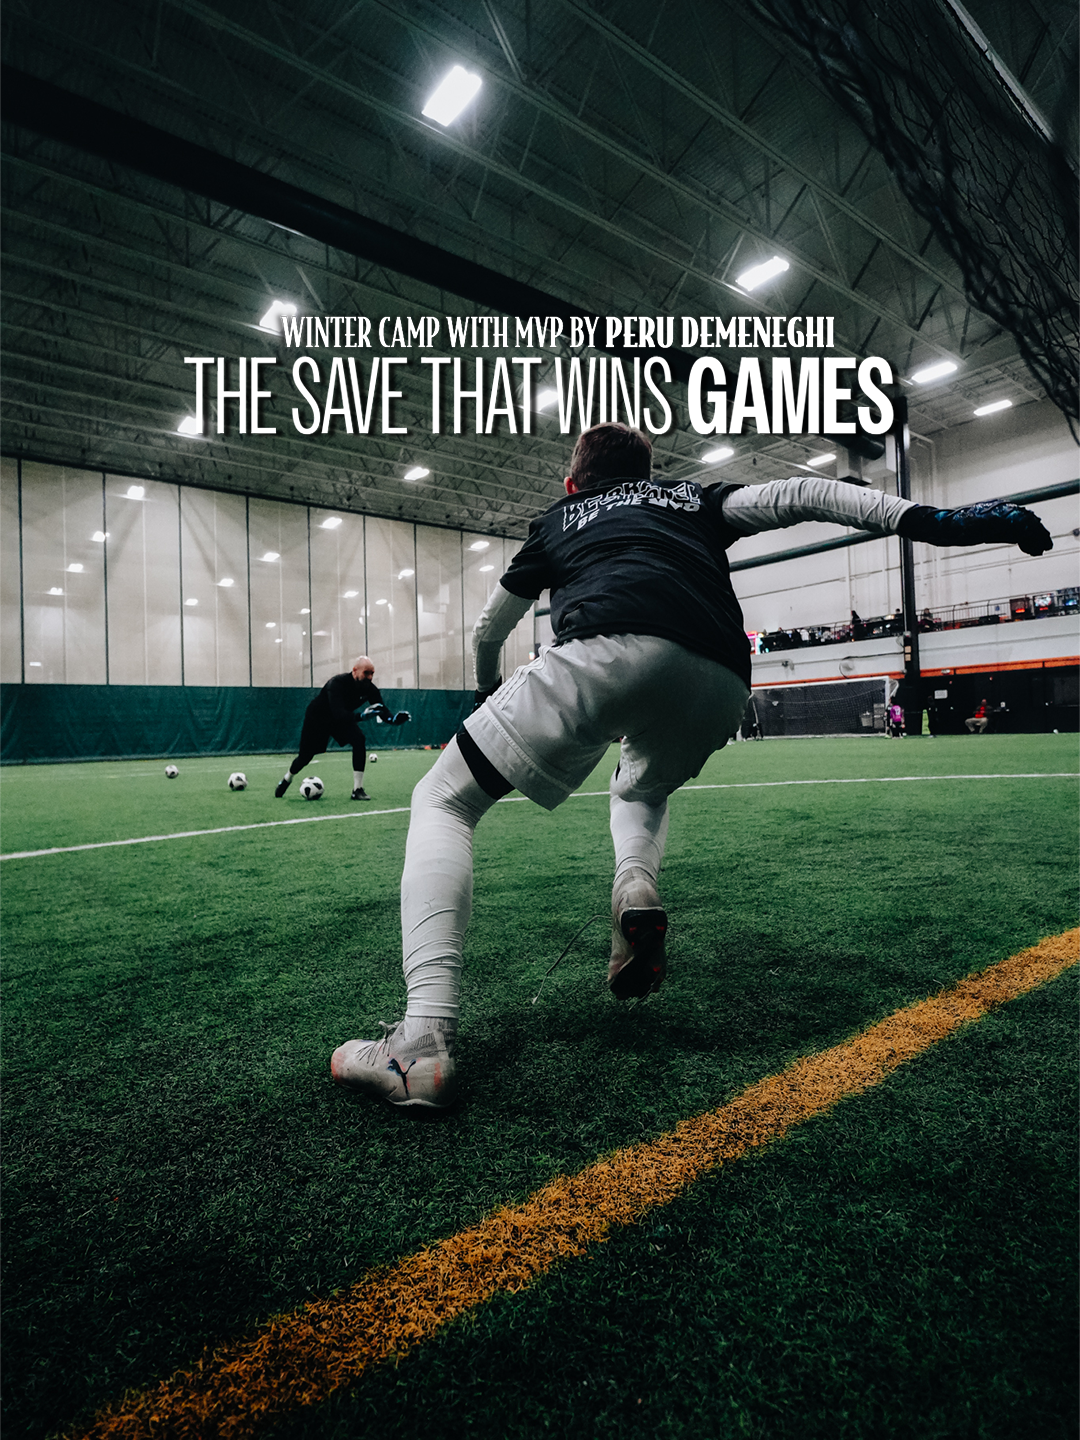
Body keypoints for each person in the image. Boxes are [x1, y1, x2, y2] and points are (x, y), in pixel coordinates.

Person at [329, 423, 1053, 1109]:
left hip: (603, 649)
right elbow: (810, 494)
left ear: (572, 480)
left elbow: (493, 626)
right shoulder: (693, 498)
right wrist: (939, 523)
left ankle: (419, 1041)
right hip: (720, 676)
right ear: (647, 474)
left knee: (445, 800)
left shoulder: (558, 519)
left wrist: (490, 691)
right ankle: (634, 885)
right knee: (640, 786)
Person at [274, 656, 409, 800]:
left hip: (341, 718)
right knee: (305, 757)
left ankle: (357, 789)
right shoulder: (337, 683)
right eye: (366, 673)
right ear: (355, 671)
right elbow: (338, 713)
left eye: (372, 673)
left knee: (359, 739)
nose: (370, 677)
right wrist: (362, 717)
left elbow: (381, 710)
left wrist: (394, 720)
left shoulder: (370, 689)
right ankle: (287, 778)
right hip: (318, 719)